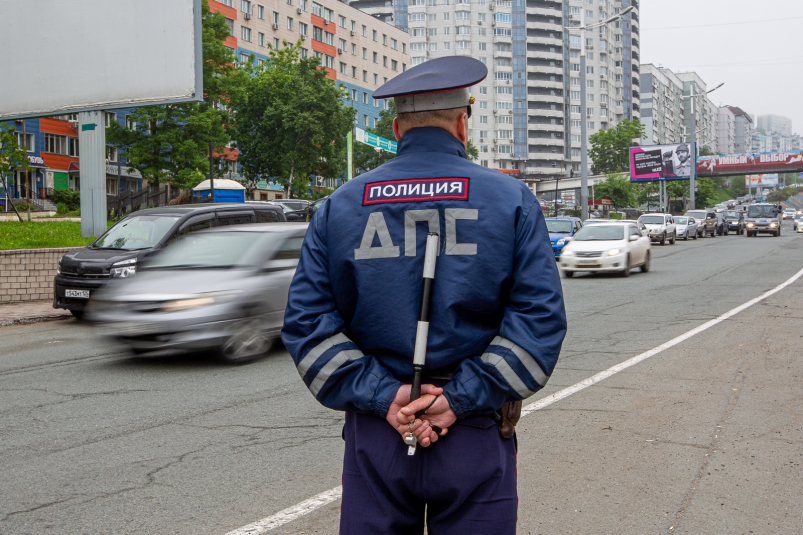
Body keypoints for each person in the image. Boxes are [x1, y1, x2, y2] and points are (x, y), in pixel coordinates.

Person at [281, 56, 567, 535]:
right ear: (462, 124)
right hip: (473, 430)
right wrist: (458, 399)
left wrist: (384, 396)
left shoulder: (340, 205)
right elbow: (539, 321)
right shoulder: (511, 199)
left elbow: (306, 324)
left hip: (379, 434)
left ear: (397, 128)